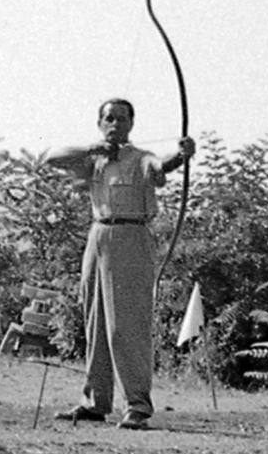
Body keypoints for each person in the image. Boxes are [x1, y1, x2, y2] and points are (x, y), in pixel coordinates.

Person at [42, 98, 196, 430]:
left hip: (131, 237)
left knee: (125, 325)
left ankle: (137, 405)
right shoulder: (93, 160)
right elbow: (51, 157)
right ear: (100, 123)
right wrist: (92, 150)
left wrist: (181, 155)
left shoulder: (140, 158)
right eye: (109, 118)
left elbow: (160, 168)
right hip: (98, 236)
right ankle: (95, 402)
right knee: (95, 321)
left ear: (131, 124)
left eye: (122, 118)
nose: (115, 124)